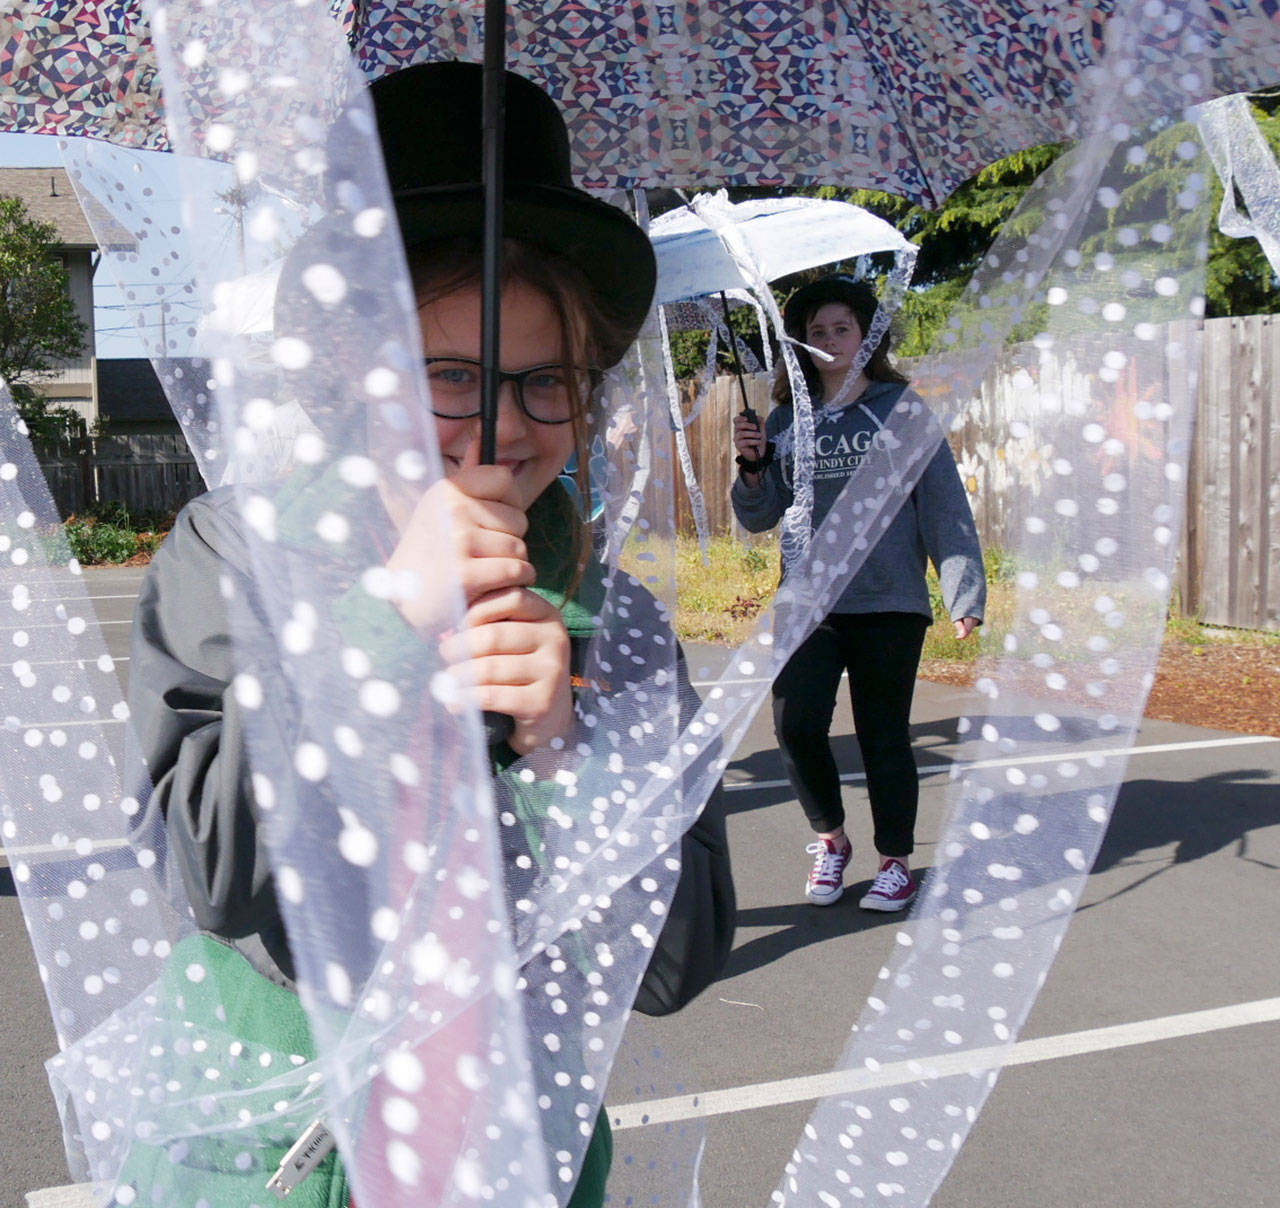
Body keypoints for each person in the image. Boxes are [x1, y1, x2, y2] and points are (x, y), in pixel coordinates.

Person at [126, 61, 734, 1207]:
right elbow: (210, 868)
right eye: (448, 374)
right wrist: (383, 623)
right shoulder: (239, 553)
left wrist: (567, 748)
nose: (499, 427)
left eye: (542, 382)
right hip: (274, 1170)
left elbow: (676, 961)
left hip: (516, 1158)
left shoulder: (618, 616)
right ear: (358, 366)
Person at [731, 275, 984, 911]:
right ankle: (832, 840)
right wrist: (754, 466)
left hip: (888, 598)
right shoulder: (788, 418)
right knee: (797, 725)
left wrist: (963, 590)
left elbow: (943, 500)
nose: (829, 340)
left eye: (842, 328)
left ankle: (895, 860)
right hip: (808, 603)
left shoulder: (900, 409)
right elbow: (760, 518)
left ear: (866, 336)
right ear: (802, 344)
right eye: (816, 332)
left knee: (883, 733)